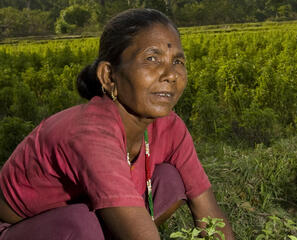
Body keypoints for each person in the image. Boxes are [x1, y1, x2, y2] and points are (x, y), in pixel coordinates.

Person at [0, 8, 234, 240]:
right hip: (24, 228)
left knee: (170, 181)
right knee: (83, 224)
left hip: (87, 211)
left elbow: (208, 210)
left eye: (177, 61)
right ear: (109, 76)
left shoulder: (170, 126)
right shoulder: (91, 132)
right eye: (151, 59)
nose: (171, 74)